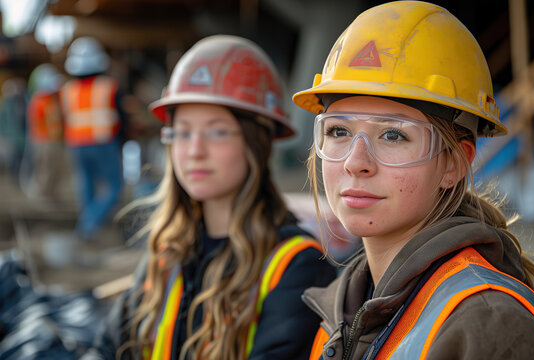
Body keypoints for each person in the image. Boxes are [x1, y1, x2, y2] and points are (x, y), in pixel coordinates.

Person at [292, 1, 534, 359]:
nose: (355, 162)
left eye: (393, 135)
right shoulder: (343, 307)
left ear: (454, 163)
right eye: (339, 130)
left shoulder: (488, 323)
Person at [83, 35, 336, 360]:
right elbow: (106, 350)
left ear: (256, 143)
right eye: (183, 132)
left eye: (216, 131)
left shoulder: (296, 268)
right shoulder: (167, 252)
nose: (194, 151)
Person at [59, 36, 126, 241]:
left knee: (85, 184)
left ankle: (88, 224)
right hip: (102, 141)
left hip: (76, 143)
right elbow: (120, 116)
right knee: (114, 185)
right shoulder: (108, 86)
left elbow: (65, 118)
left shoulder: (67, 90)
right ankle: (89, 224)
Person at [25, 63, 65, 201]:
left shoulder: (50, 99)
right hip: (44, 141)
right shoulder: (40, 101)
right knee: (45, 171)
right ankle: (43, 198)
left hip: (52, 140)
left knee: (54, 170)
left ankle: (51, 196)